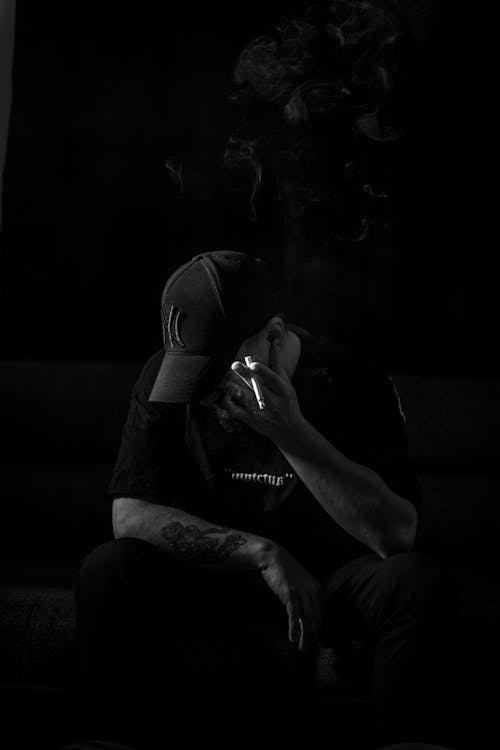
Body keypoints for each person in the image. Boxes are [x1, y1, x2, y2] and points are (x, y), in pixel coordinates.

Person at [75, 251, 461, 749]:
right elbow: (129, 514)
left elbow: (396, 535)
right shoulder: (161, 377)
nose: (204, 394)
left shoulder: (352, 378)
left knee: (418, 584)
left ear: (273, 337)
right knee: (108, 568)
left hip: (330, 585)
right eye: (190, 374)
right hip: (221, 574)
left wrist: (289, 432)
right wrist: (260, 553)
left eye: (216, 374)